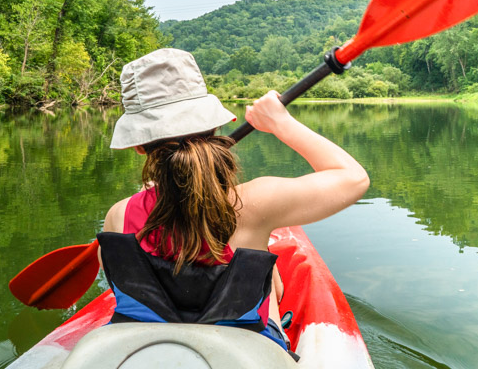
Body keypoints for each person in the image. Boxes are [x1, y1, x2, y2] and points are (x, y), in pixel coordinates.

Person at [98, 48, 369, 354]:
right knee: (265, 267)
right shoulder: (255, 204)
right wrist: (280, 122)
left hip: (147, 350)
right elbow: (354, 178)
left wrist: (156, 195)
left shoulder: (118, 216)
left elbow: (122, 287)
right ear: (213, 127)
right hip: (241, 347)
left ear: (138, 146)